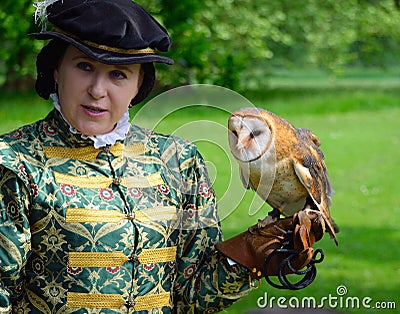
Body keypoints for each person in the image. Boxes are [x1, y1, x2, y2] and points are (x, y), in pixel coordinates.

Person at [0, 1, 324, 313]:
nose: (98, 90)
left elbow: (192, 295)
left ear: (139, 83)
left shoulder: (179, 161)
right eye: (84, 66)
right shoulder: (13, 162)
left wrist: (250, 257)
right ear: (56, 70)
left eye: (118, 75)